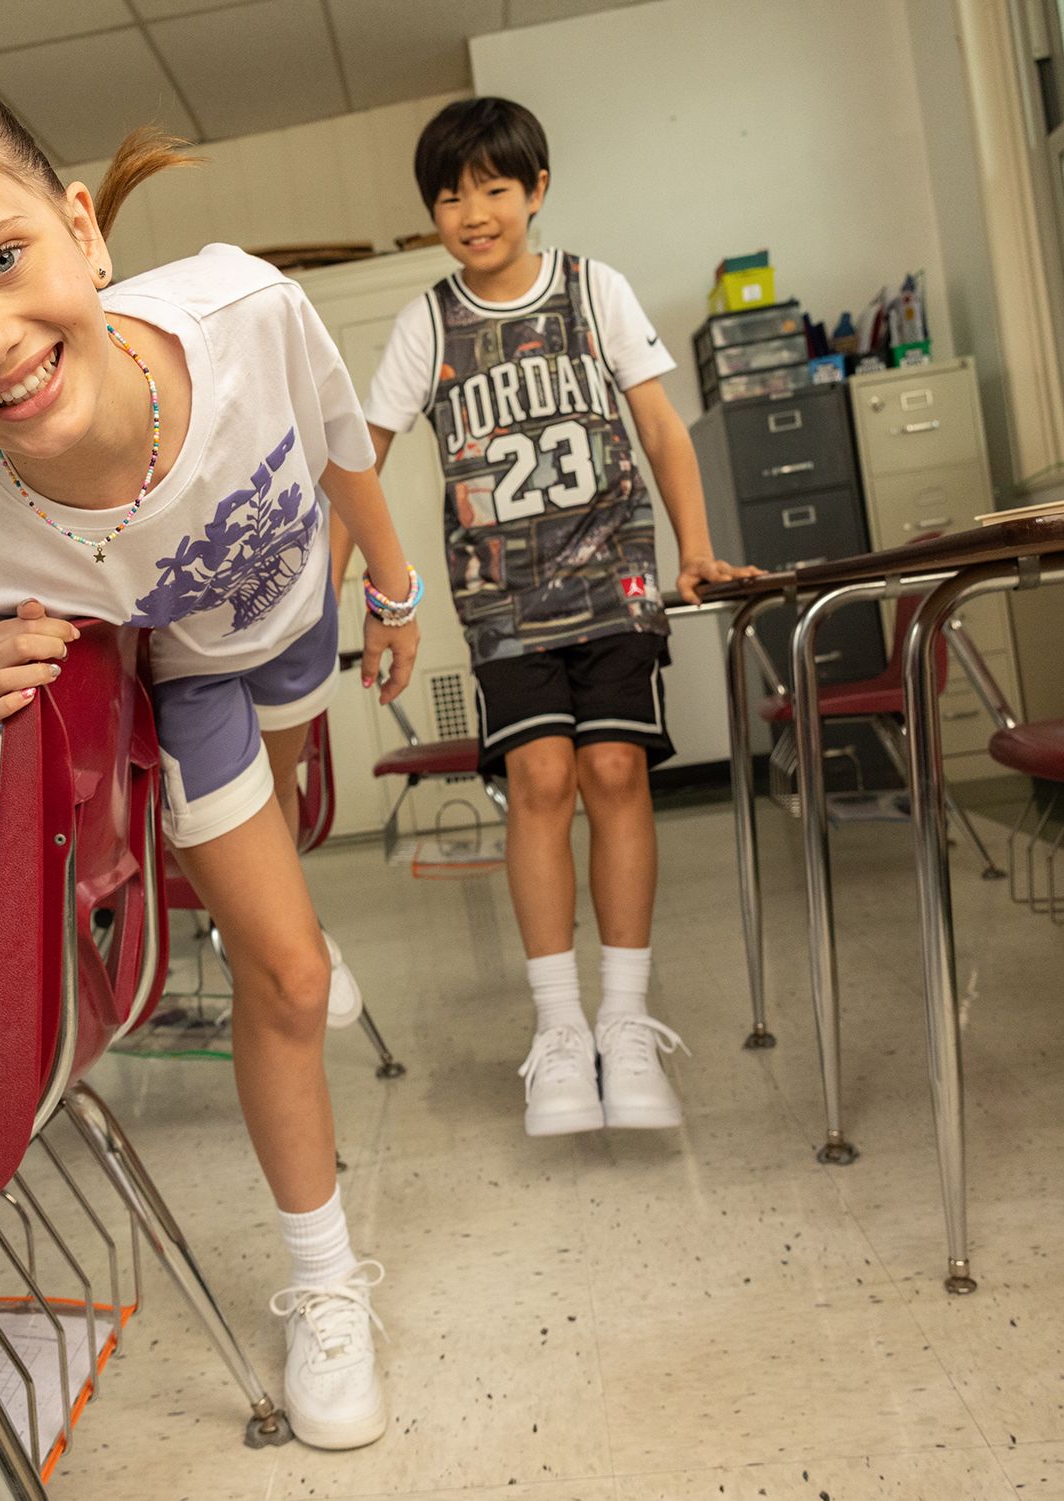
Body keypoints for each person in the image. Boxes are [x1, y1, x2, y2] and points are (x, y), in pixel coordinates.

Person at [0, 59, 423, 1451]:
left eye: (2, 260)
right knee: (287, 976)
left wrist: (399, 588)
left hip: (294, 614)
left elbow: (345, 444)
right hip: (188, 680)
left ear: (80, 227)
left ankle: (292, 925)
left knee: (304, 790)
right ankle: (322, 1284)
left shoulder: (246, 311)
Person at [341, 97, 758, 1138]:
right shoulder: (425, 323)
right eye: (448, 194)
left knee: (613, 771)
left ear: (534, 191)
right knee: (538, 778)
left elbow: (660, 430)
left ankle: (623, 1020)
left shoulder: (592, 290)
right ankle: (559, 1032)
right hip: (501, 600)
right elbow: (359, 464)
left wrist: (694, 547)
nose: (471, 210)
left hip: (614, 576)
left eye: (492, 186)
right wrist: (348, 597)